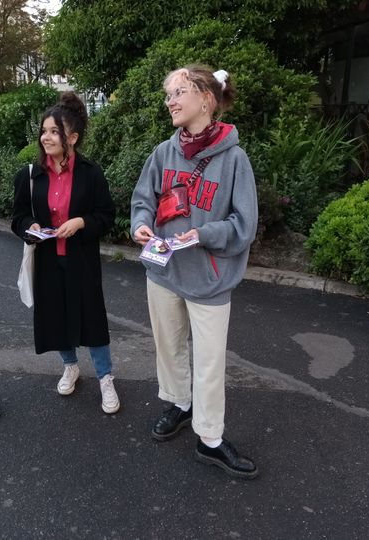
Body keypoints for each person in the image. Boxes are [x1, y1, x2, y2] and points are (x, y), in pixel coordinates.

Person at [130, 65, 259, 478]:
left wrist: (202, 234)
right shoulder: (163, 152)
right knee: (169, 348)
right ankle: (179, 405)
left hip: (209, 278)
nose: (170, 100)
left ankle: (210, 438)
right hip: (163, 271)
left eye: (179, 92)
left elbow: (244, 225)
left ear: (206, 99)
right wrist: (140, 224)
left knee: (208, 362)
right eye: (168, 93)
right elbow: (142, 198)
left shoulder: (235, 159)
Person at [11, 92, 120, 414]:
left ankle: (105, 377)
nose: (46, 137)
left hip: (81, 259)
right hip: (46, 259)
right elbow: (18, 217)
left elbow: (106, 215)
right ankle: (70, 365)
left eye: (55, 131)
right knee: (56, 315)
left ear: (72, 137)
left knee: (92, 318)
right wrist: (31, 228)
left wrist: (82, 221)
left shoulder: (90, 172)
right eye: (44, 131)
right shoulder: (30, 175)